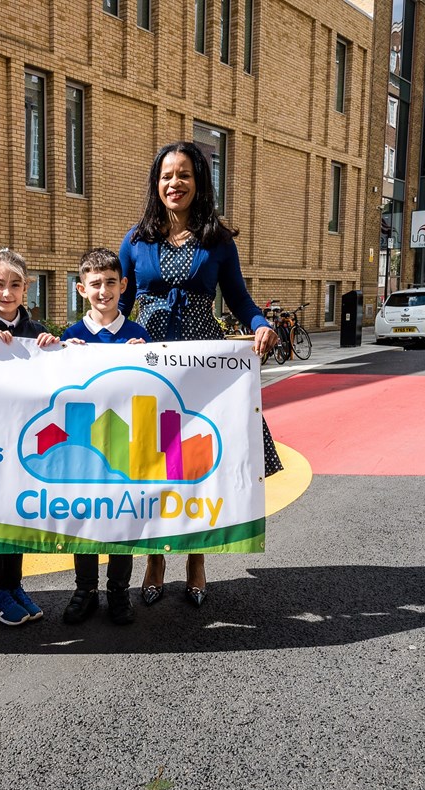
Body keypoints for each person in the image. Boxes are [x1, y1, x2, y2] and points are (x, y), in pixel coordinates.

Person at [118, 141, 280, 609]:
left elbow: (240, 300)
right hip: (147, 364)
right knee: (148, 463)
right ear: (156, 182)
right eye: (166, 175)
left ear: (199, 182)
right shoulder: (137, 238)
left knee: (193, 467)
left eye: (184, 174)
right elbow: (119, 306)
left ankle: (195, 560)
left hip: (200, 369)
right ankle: (154, 559)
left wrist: (261, 324)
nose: (174, 183)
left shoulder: (217, 241)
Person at [0, 247, 60, 625]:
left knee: (19, 514)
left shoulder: (37, 333)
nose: (7, 293)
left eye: (15, 285)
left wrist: (55, 349)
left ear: (27, 289)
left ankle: (14, 585)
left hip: (26, 441)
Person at [59, 247, 150, 626]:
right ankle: (85, 590)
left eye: (111, 282)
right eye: (95, 284)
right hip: (82, 443)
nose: (103, 291)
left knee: (121, 517)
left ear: (123, 285)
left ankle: (118, 591)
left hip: (123, 444)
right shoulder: (71, 336)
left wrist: (146, 357)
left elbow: (154, 387)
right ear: (82, 289)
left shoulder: (137, 335)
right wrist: (63, 355)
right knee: (85, 516)